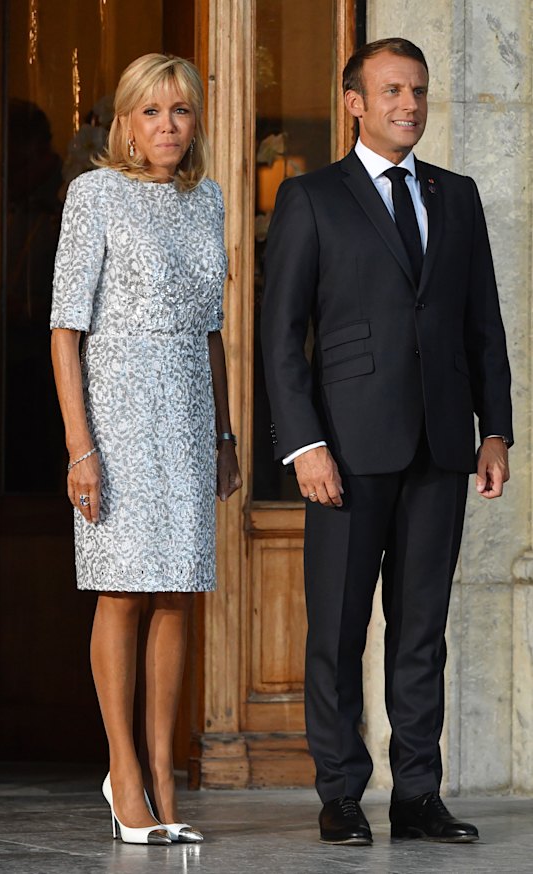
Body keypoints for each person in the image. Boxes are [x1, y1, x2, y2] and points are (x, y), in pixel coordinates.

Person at [261, 37, 512, 846]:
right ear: (355, 102)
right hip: (342, 451)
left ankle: (415, 796)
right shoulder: (311, 198)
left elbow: (484, 327)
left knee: (419, 632)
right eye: (392, 90)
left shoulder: (458, 195)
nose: (409, 103)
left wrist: (494, 428)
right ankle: (339, 793)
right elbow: (280, 337)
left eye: (419, 90)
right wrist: (304, 446)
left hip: (441, 448)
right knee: (335, 631)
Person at [50, 53, 241, 846]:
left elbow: (211, 333)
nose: (167, 125)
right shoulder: (93, 195)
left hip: (190, 417)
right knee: (123, 591)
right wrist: (79, 447)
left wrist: (226, 435)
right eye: (152, 111)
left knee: (177, 593)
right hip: (118, 416)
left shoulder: (208, 200)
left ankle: (166, 775)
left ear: (195, 122)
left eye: (181, 112)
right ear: (125, 121)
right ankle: (122, 769)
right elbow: (66, 330)